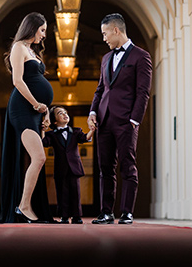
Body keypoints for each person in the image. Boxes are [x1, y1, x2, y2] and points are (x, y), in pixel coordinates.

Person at [88, 13, 152, 225]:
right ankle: (106, 212)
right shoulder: (105, 58)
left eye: (105, 33)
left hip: (126, 121)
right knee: (105, 168)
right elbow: (100, 90)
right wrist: (93, 112)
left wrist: (135, 120)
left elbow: (143, 92)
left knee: (127, 166)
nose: (104, 38)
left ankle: (127, 212)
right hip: (104, 120)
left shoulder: (141, 56)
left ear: (116, 30)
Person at [0, 12, 54, 223]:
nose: (44, 35)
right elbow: (18, 81)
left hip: (35, 111)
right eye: (42, 30)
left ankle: (28, 205)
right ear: (32, 27)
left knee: (36, 158)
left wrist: (45, 110)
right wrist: (36, 104)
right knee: (39, 157)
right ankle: (23, 205)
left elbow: (37, 85)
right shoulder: (19, 47)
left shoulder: (32, 51)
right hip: (22, 109)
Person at [42, 105, 92, 224]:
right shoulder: (51, 135)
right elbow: (44, 143)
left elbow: (85, 138)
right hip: (60, 167)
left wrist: (92, 130)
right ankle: (64, 216)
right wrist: (43, 130)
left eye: (65, 112)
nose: (65, 114)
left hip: (74, 167)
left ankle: (77, 216)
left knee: (75, 192)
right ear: (54, 120)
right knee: (62, 193)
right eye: (60, 113)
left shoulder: (76, 131)